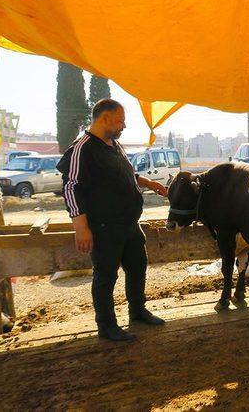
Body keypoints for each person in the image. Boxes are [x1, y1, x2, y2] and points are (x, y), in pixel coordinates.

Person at [57, 99, 168, 341]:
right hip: (104, 227)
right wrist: (81, 227)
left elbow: (123, 173)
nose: (124, 126)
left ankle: (137, 311)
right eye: (120, 120)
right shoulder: (82, 148)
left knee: (138, 266)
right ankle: (106, 326)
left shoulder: (114, 144)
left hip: (129, 224)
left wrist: (148, 183)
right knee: (106, 275)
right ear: (105, 118)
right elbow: (71, 188)